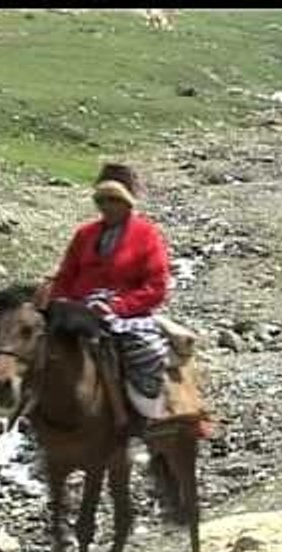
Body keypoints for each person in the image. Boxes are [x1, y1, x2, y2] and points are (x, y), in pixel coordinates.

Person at [47, 162, 173, 422]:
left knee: (150, 354)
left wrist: (116, 306)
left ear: (127, 203)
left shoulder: (147, 235)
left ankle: (148, 417)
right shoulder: (85, 235)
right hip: (80, 309)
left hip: (126, 313)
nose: (106, 207)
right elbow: (66, 275)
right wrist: (62, 302)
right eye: (101, 201)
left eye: (112, 200)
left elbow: (156, 286)